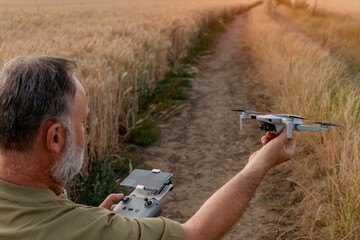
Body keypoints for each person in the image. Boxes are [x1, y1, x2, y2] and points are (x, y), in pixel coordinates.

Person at [0, 56, 296, 240]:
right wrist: (258, 164)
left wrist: (89, 216)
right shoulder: (83, 230)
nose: (85, 133)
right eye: (82, 123)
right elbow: (199, 233)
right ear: (55, 138)